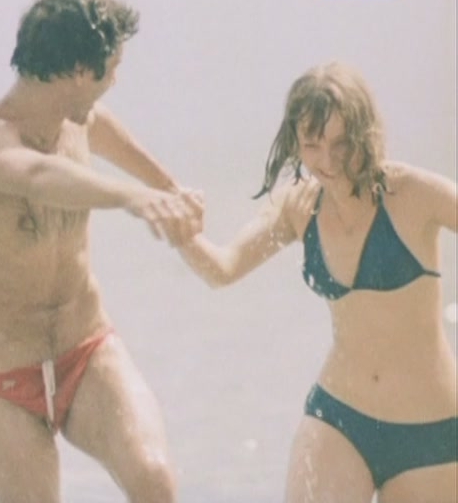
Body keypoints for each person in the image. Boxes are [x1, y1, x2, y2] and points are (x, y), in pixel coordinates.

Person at [0, 0, 202, 503]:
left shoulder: (78, 120)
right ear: (82, 71)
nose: (114, 81)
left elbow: (105, 130)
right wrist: (131, 197)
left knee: (155, 481)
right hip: (4, 376)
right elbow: (38, 176)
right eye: (112, 68)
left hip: (85, 350)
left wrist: (169, 189)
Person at [176, 62, 457, 503]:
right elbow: (223, 268)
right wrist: (184, 235)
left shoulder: (413, 194)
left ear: (365, 133)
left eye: (342, 144)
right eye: (312, 145)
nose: (328, 162)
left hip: (429, 432)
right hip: (339, 419)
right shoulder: (299, 207)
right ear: (296, 142)